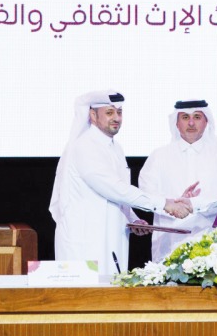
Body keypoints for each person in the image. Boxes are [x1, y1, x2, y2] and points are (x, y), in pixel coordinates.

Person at [49, 90, 190, 269]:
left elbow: (119, 192)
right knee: (86, 295)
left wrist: (132, 219)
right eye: (109, 113)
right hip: (86, 242)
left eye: (119, 112)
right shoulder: (84, 146)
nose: (116, 118)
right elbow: (112, 188)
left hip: (111, 238)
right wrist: (164, 203)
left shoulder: (116, 148)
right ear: (93, 115)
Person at [138, 99, 217, 262]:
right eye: (185, 117)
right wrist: (173, 204)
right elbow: (146, 192)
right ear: (176, 122)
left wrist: (200, 204)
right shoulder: (159, 156)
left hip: (214, 246)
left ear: (206, 121)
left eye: (197, 116)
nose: (191, 123)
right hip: (169, 242)